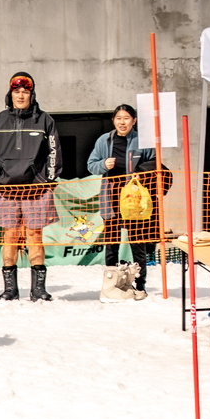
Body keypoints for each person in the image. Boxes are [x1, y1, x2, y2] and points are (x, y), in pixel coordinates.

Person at [0, 71, 60, 302]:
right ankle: (10, 289)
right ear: (10, 94)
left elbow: (53, 153)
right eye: (16, 91)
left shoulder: (45, 120)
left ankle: (38, 289)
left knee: (34, 236)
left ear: (32, 94)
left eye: (25, 92)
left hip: (35, 189)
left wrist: (48, 179)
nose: (20, 95)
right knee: (10, 236)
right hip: (6, 190)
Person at [86, 104, 159, 302]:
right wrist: (103, 165)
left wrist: (140, 172)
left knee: (137, 241)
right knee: (111, 243)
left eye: (126, 118)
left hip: (134, 199)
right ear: (113, 120)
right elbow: (90, 164)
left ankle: (140, 283)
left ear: (134, 121)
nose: (122, 122)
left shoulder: (142, 141)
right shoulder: (104, 140)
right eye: (119, 118)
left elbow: (155, 163)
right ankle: (112, 284)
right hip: (110, 197)